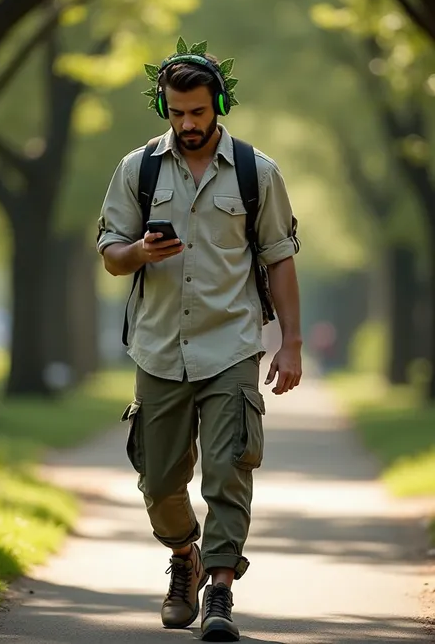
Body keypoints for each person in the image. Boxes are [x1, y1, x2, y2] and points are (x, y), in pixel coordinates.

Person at [96, 38, 302, 641]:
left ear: (219, 105)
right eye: (177, 112)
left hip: (231, 346)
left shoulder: (257, 173)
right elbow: (111, 255)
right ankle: (183, 556)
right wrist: (140, 251)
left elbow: (280, 259)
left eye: (198, 113)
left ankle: (218, 592)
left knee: (229, 468)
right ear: (164, 106)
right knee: (158, 481)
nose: (187, 124)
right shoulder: (137, 170)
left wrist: (290, 343)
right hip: (159, 349)